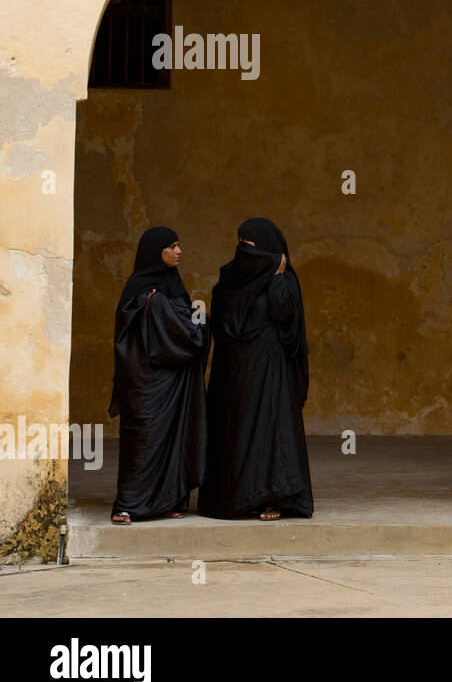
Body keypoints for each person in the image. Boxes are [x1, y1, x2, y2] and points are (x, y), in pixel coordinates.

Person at [198, 217, 313, 520]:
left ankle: (272, 497)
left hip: (271, 372)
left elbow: (285, 315)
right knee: (237, 432)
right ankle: (239, 497)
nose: (245, 253)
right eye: (242, 246)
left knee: (270, 433)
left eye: (251, 247)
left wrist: (276, 278)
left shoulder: (284, 279)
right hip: (235, 375)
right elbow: (222, 320)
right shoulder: (231, 278)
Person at [109, 226, 208, 525]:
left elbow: (192, 330)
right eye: (173, 246)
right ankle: (128, 504)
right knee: (143, 440)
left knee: (173, 438)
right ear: (157, 251)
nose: (179, 251)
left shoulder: (172, 285)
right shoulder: (138, 289)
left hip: (174, 382)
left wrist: (179, 314)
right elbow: (128, 337)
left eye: (179, 245)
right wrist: (156, 308)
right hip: (145, 383)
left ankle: (169, 499)